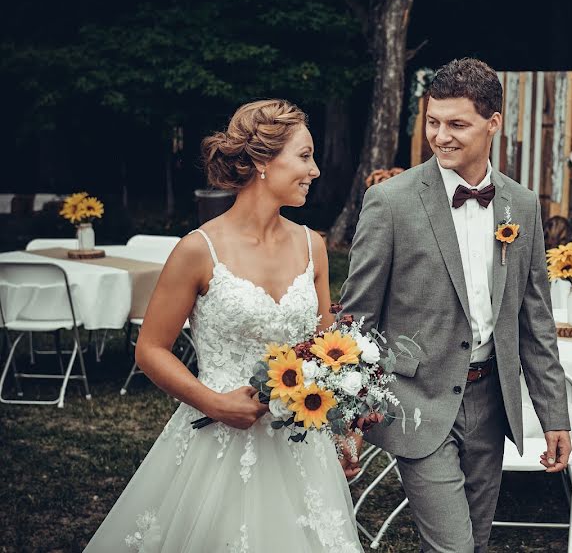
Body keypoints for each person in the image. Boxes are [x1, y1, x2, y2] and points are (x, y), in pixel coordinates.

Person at [85, 100, 363, 552]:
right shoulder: (199, 249)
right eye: (304, 156)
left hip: (298, 445)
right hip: (214, 444)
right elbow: (151, 348)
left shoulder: (313, 246)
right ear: (260, 163)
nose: (314, 171)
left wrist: (342, 429)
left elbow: (327, 348)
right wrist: (214, 403)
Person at [340, 58, 572, 553]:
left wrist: (554, 416)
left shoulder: (522, 204)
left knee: (476, 541)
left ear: (493, 123)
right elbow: (356, 321)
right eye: (432, 122)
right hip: (416, 399)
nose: (440, 136)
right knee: (453, 547)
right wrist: (349, 416)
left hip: (492, 402)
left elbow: (536, 320)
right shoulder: (391, 201)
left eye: (456, 124)